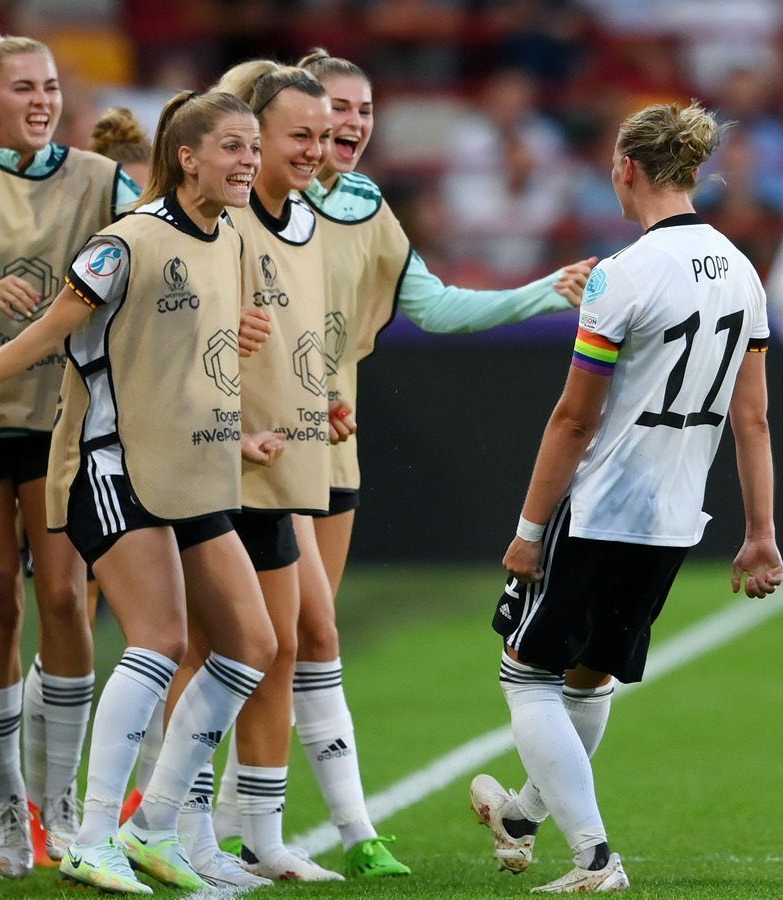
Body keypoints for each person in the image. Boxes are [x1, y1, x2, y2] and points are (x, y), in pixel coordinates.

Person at [201, 47, 590, 878]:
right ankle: (290, 825)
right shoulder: (248, 205)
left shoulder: (361, 206)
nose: (350, 125)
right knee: (254, 636)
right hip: (241, 442)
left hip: (322, 442)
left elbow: (433, 306)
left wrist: (541, 289)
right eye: (333, 110)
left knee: (293, 635)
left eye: (363, 110)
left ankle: (239, 822)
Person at [0, 89, 278, 896]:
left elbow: (198, 359)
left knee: (250, 646)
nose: (248, 161)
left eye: (252, 147)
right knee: (157, 641)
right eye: (233, 146)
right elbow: (45, 333)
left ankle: (152, 831)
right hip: (111, 466)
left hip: (192, 472)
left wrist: (245, 422)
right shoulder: (126, 242)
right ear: (187, 156)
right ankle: (90, 836)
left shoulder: (232, 237)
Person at [469, 101, 783, 893]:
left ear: (626, 171)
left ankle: (594, 859)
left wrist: (528, 527)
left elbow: (574, 419)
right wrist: (762, 532)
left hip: (604, 503)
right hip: (677, 515)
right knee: (589, 676)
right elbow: (753, 416)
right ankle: (520, 818)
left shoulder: (621, 274)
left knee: (526, 672)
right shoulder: (743, 270)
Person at [0, 33, 139, 876]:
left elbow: (153, 258)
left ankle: (62, 800)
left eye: (49, 86)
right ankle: (9, 800)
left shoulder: (100, 179)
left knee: (67, 600)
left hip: (60, 416)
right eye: (24, 88)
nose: (42, 99)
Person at [166, 59, 352, 887]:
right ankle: (178, 829)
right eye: (298, 135)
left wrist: (329, 397)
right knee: (207, 652)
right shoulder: (217, 222)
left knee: (274, 653)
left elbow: (301, 341)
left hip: (280, 471)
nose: (316, 148)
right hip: (211, 469)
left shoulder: (306, 220)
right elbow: (166, 339)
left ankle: (262, 836)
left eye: (323, 133)